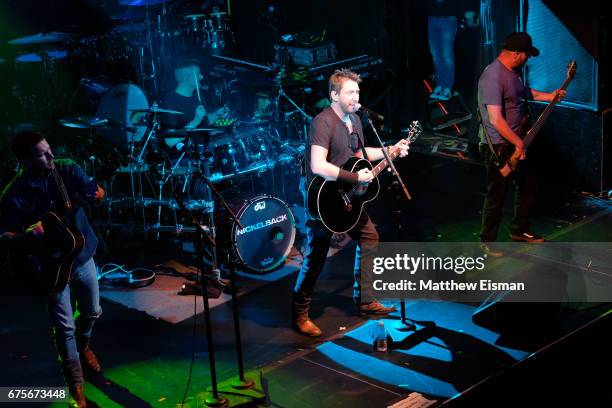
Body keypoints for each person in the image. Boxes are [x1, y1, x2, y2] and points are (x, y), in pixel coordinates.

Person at [293, 69, 410, 337]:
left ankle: (365, 299)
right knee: (315, 258)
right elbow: (318, 165)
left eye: (357, 92)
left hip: (348, 193)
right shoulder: (322, 123)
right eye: (349, 92)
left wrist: (389, 151)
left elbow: (359, 153)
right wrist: (356, 175)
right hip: (323, 198)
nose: (355, 97)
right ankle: (300, 313)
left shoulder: (355, 119)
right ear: (334, 95)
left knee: (370, 238)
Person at [0, 132, 105, 408]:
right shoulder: (13, 194)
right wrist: (28, 236)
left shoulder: (67, 169)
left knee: (93, 310)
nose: (51, 157)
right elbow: (5, 237)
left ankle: (84, 345)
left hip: (80, 255)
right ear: (24, 161)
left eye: (50, 150)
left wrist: (97, 194)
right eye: (42, 154)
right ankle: (76, 386)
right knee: (64, 328)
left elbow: (96, 191)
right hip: (48, 266)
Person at [478, 32, 566, 247]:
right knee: (496, 194)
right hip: (498, 145)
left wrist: (550, 95)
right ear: (516, 54)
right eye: (527, 54)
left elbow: (524, 93)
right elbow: (495, 119)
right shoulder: (493, 76)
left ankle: (519, 230)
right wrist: (518, 143)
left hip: (517, 141)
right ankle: (487, 241)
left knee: (528, 184)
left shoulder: (513, 73)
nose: (529, 59)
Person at [161, 59, 229, 148]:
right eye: (198, 74)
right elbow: (169, 141)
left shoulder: (197, 94)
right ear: (187, 79)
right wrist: (195, 121)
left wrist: (217, 114)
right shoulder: (169, 102)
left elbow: (204, 122)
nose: (202, 77)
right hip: (185, 156)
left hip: (204, 148)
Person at [427, 0, 479, 101]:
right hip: (432, 17)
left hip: (448, 18)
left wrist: (467, 12)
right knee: (435, 55)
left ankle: (447, 87)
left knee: (446, 54)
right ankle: (440, 84)